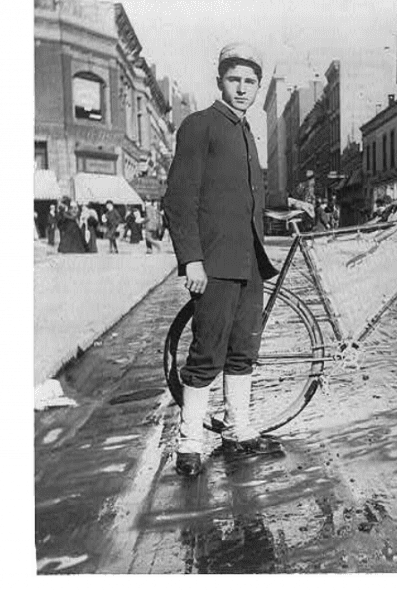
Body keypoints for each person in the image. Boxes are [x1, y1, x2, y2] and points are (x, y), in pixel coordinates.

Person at [162, 42, 281, 477]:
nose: (244, 88)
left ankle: (238, 431)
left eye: (251, 81)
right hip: (213, 263)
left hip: (250, 262)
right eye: (236, 79)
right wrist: (191, 260)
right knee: (206, 353)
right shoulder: (200, 126)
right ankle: (190, 441)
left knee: (243, 351)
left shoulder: (247, 130)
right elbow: (179, 198)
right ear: (220, 81)